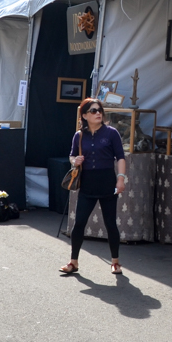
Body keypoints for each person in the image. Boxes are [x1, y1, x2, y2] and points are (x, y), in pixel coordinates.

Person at [60, 98, 127, 276]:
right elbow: (71, 156)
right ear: (84, 115)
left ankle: (115, 262)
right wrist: (76, 160)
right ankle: (73, 262)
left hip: (107, 181)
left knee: (110, 223)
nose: (98, 113)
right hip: (87, 183)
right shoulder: (79, 135)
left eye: (99, 110)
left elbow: (120, 157)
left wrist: (120, 179)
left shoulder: (111, 133)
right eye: (93, 111)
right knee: (79, 223)